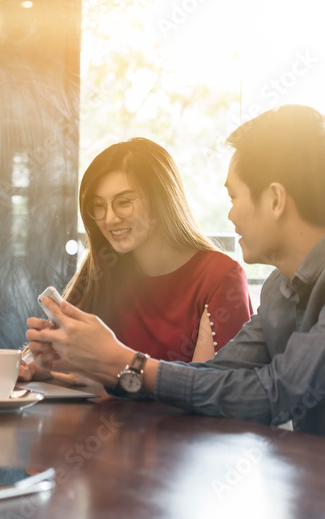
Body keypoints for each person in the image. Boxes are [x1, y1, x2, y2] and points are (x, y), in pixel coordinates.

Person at [27, 105, 325, 465]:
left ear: (275, 198)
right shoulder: (284, 289)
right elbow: (221, 376)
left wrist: (127, 363)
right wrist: (111, 367)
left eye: (233, 196)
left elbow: (278, 395)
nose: (229, 214)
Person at [21, 138, 251, 383]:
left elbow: (205, 391)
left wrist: (109, 367)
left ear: (161, 200)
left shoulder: (219, 277)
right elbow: (77, 375)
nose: (109, 219)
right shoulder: (104, 269)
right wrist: (42, 366)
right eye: (98, 205)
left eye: (123, 202)